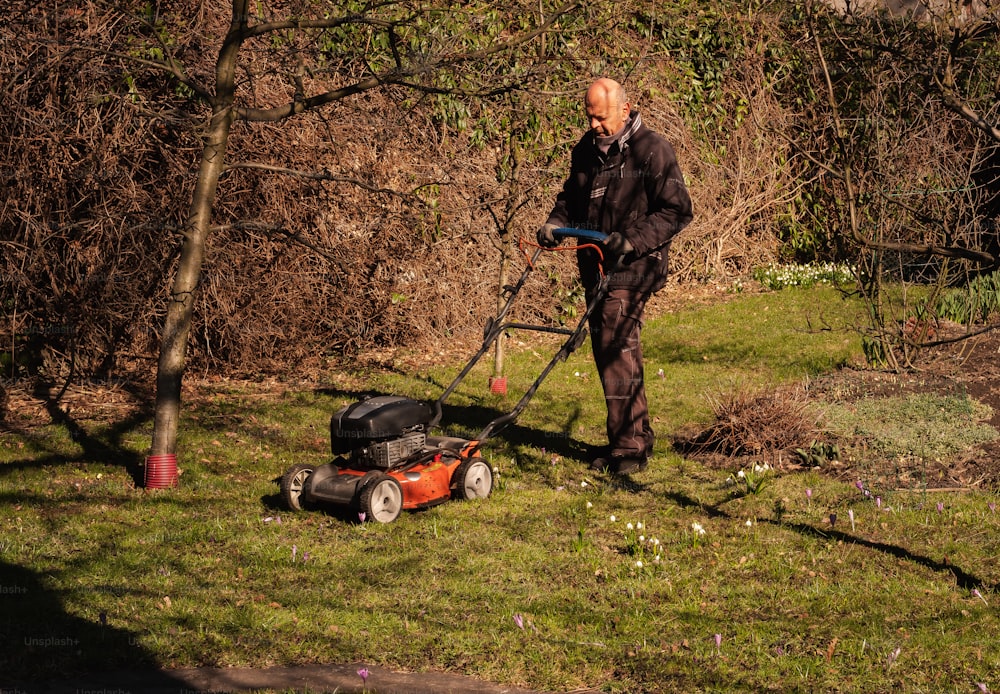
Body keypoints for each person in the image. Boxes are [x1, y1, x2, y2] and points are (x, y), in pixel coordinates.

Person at [538, 77, 693, 475]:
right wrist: (554, 224)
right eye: (589, 117)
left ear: (625, 110)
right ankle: (636, 436)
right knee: (613, 351)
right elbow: (568, 200)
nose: (593, 125)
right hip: (596, 265)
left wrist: (632, 241)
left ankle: (627, 449)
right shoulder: (585, 152)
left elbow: (677, 211)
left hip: (635, 266)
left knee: (614, 347)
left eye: (601, 117)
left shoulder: (652, 150)